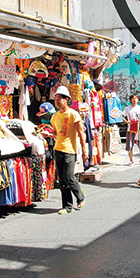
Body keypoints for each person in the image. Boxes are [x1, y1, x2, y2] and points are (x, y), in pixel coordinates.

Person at [51, 86, 87, 214]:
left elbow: (81, 133)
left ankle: (80, 196)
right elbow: (56, 133)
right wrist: (47, 134)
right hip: (58, 149)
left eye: (59, 99)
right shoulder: (54, 116)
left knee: (69, 177)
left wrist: (84, 151)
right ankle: (67, 206)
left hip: (70, 150)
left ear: (66, 99)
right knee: (62, 180)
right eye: (55, 99)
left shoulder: (74, 114)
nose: (57, 101)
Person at [122, 93, 140, 165]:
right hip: (130, 129)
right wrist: (127, 121)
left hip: (139, 129)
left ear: (138, 99)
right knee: (130, 145)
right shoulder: (127, 108)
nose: (134, 100)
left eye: (136, 98)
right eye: (133, 98)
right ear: (130, 100)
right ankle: (131, 160)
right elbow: (122, 116)